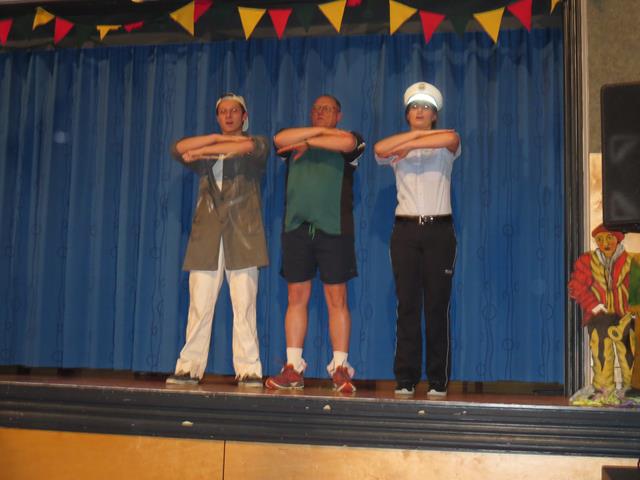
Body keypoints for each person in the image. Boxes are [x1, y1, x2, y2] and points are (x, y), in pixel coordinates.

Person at [264, 95, 365, 394]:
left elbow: (347, 143)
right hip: (297, 228)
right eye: (317, 109)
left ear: (339, 115)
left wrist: (308, 143)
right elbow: (279, 139)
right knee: (296, 297)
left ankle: (341, 368)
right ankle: (293, 368)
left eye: (328, 109)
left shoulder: (349, 141)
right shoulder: (294, 138)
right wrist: (313, 137)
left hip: (334, 229)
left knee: (337, 298)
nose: (321, 113)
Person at [166, 93, 268, 387]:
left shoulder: (256, 143)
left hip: (243, 234)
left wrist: (203, 151)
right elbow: (177, 148)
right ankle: (189, 367)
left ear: (244, 117)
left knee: (244, 305)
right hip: (207, 236)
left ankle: (249, 369)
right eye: (223, 112)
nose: (228, 116)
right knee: (199, 304)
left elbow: (248, 146)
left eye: (234, 111)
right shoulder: (209, 149)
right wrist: (210, 142)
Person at [374, 82, 460, 397]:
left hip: (439, 230)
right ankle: (406, 378)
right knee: (407, 305)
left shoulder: (446, 141)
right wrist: (411, 140)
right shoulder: (397, 143)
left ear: (435, 115)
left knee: (437, 306)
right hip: (406, 231)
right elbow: (380, 149)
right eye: (414, 107)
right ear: (407, 114)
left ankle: (438, 380)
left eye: (426, 107)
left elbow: (450, 139)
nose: (420, 111)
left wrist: (409, 144)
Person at [568, 224, 635, 395]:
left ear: (617, 239)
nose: (605, 243)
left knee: (630, 350)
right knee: (601, 350)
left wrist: (632, 313)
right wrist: (594, 306)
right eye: (600, 239)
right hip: (599, 314)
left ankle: (632, 388)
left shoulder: (630, 261)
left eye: (609, 238)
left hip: (625, 314)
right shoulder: (587, 261)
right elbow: (576, 287)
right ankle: (603, 389)